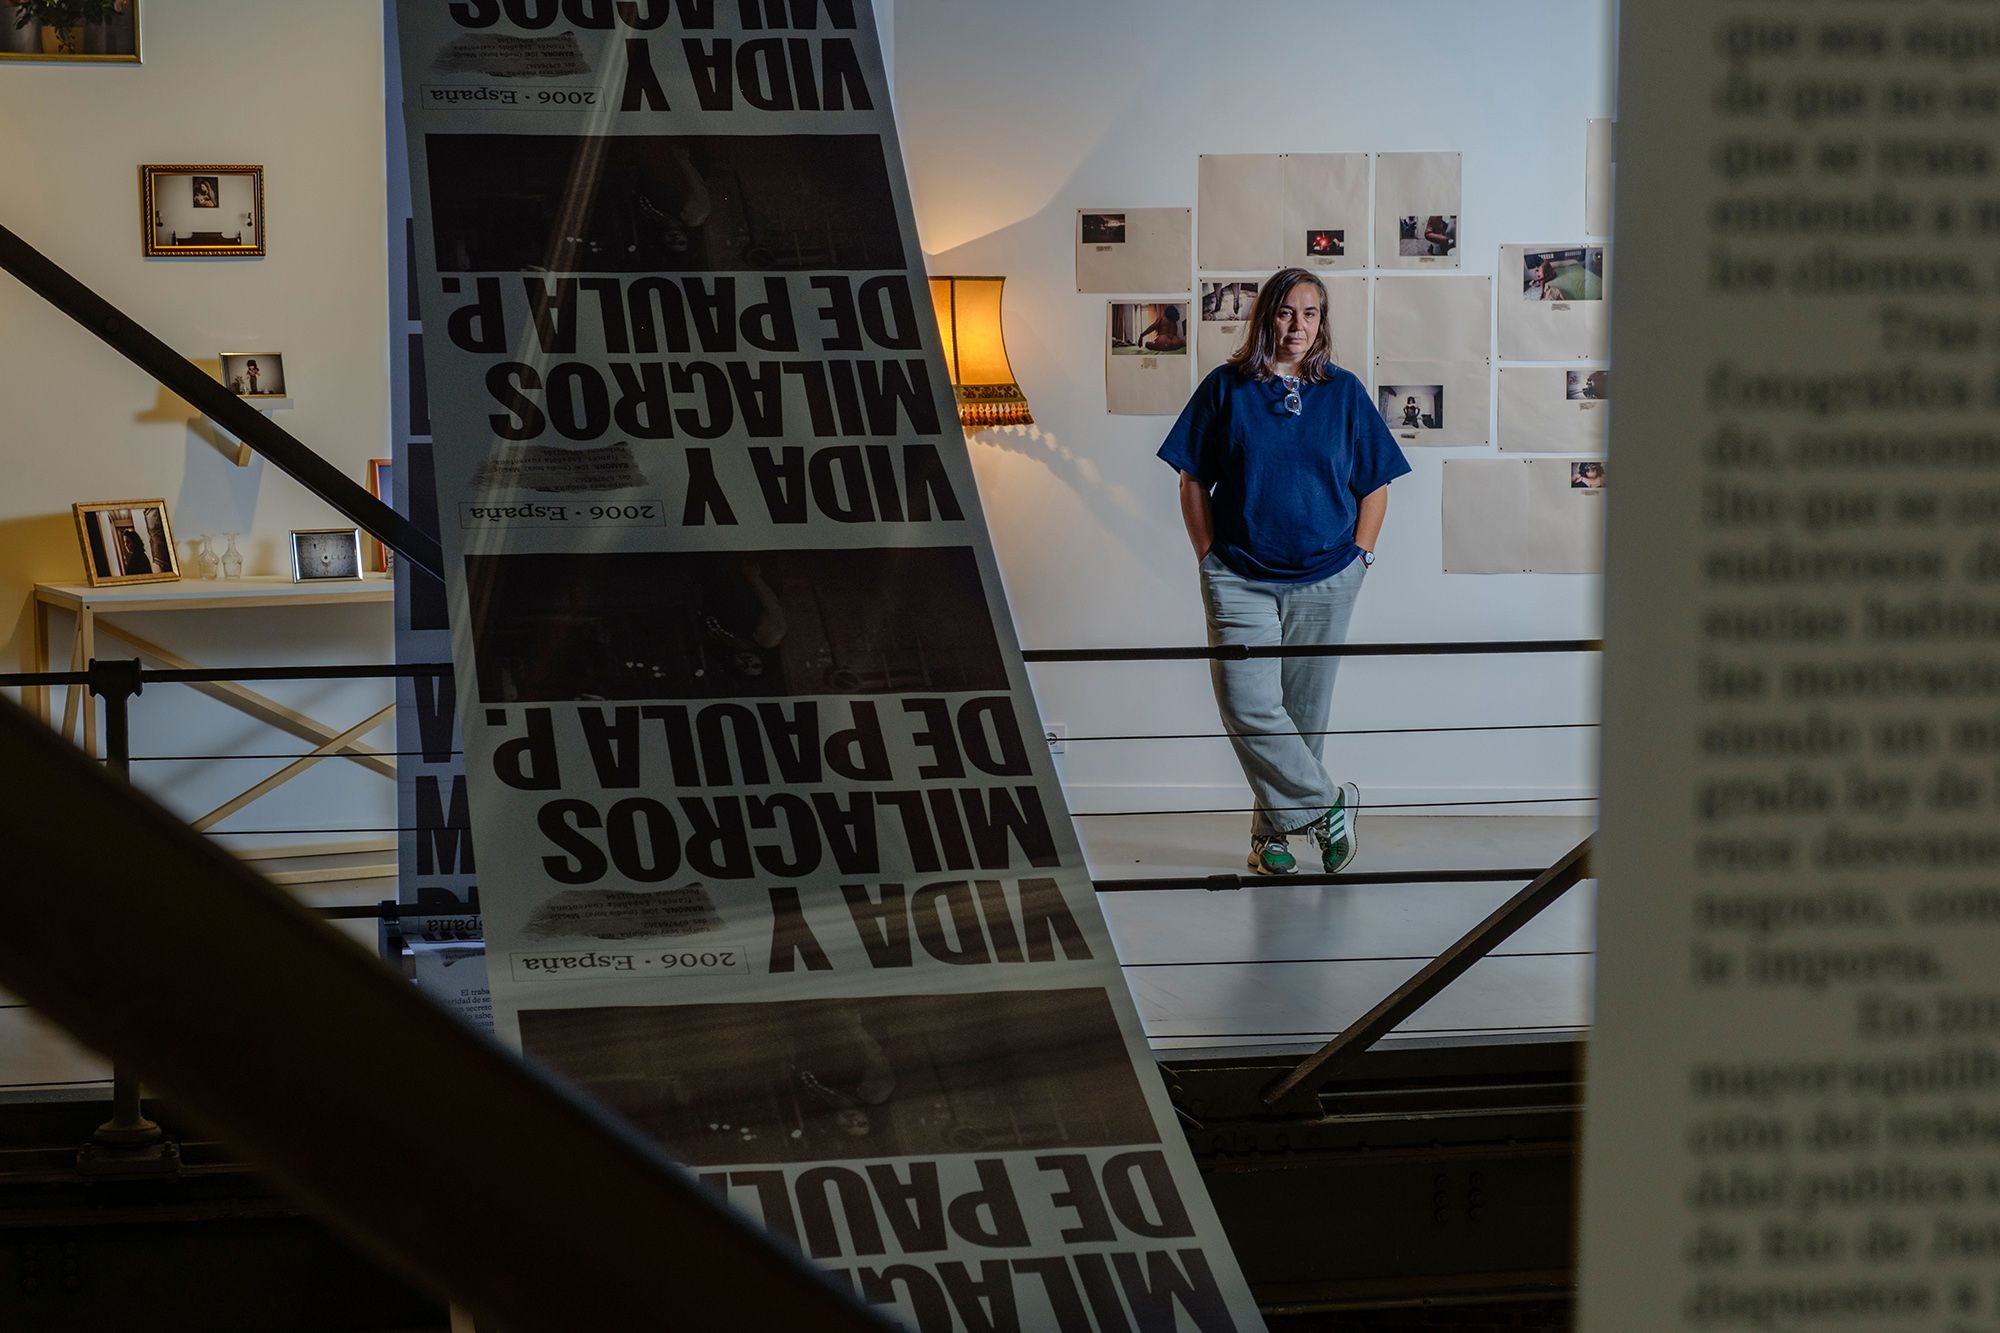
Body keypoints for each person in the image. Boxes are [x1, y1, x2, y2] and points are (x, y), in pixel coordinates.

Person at [1158, 268, 1410, 876]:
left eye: (1312, 314)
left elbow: (1374, 486)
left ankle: (1272, 839)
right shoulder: (1227, 387)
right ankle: (1328, 807)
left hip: (1328, 575)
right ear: (1265, 316)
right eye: (1287, 313)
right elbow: (1193, 479)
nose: (1299, 327)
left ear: (1323, 321)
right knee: (1247, 704)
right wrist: (1208, 554)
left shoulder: (1344, 392)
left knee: (1303, 714)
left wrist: (1362, 557)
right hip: (1239, 572)